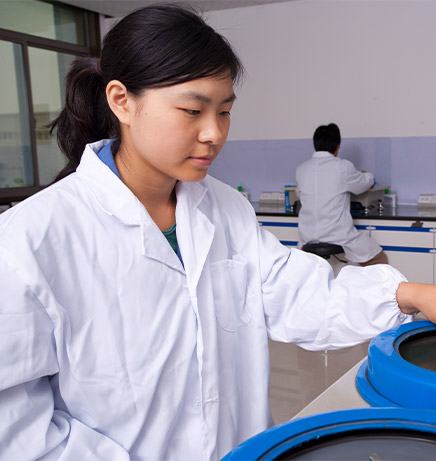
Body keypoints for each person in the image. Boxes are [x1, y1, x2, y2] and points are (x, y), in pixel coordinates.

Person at [0, 5, 435, 461]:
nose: (214, 133)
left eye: (224, 111)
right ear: (121, 100)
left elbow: (297, 294)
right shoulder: (29, 243)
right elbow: (18, 430)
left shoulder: (224, 208)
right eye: (193, 110)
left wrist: (410, 294)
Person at [296, 123, 388, 266]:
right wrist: (367, 175)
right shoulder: (343, 167)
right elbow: (364, 183)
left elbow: (299, 193)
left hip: (307, 238)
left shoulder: (301, 169)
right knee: (380, 260)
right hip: (337, 236)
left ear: (315, 144)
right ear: (337, 147)